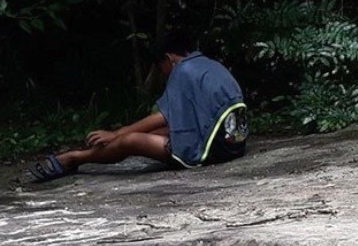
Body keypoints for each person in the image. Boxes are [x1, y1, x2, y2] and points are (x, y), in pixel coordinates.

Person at [28, 31, 249, 183]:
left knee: (130, 141)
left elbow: (165, 116)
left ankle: (74, 158)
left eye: (160, 67)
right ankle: (82, 155)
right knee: (154, 134)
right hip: (233, 143)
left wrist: (117, 133)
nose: (162, 73)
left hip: (212, 149)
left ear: (168, 58)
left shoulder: (182, 70)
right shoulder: (209, 65)